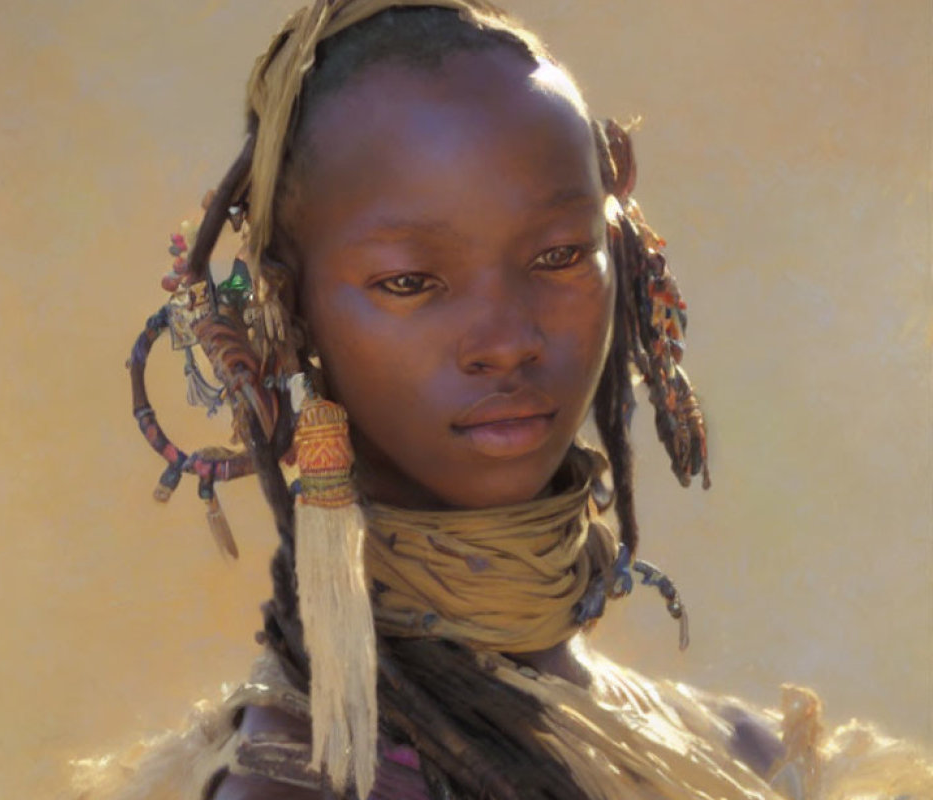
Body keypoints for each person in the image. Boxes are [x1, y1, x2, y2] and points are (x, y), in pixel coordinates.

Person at [90, 2, 932, 799]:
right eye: (411, 280)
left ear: (625, 257)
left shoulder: (758, 763)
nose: (506, 338)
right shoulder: (286, 784)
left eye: (561, 255)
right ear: (286, 306)